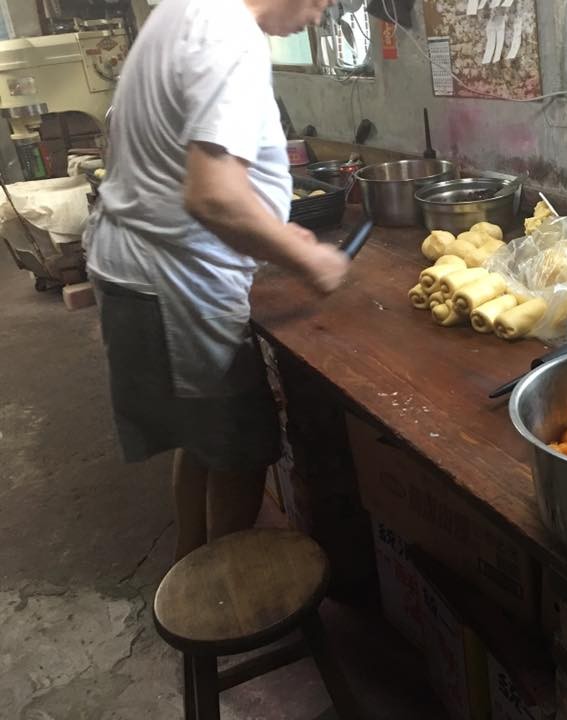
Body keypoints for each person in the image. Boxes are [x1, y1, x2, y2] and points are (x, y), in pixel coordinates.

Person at [83, 0, 345, 560]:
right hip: (179, 286)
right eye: (324, 2)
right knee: (239, 453)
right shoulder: (232, 36)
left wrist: (272, 230)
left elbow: (195, 169)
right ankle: (222, 596)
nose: (318, 19)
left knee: (200, 441)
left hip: (141, 268)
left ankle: (189, 557)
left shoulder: (184, 9)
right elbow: (213, 196)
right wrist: (311, 262)